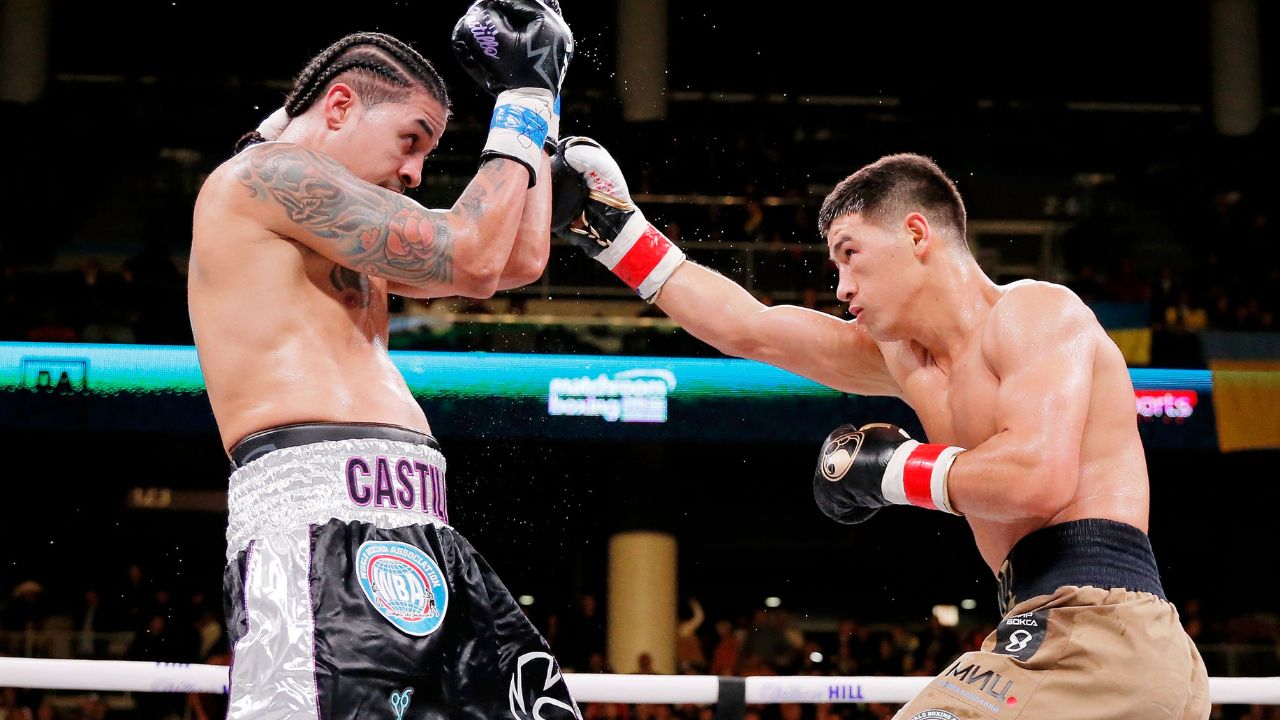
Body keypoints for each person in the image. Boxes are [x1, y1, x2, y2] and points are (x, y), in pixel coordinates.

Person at [552, 139, 1209, 719]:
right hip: (1054, 630)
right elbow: (747, 327)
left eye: (850, 255)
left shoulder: (1037, 314)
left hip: (1101, 631)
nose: (841, 286)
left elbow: (1038, 479)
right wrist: (621, 237)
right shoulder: (906, 361)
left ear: (917, 234)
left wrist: (894, 471)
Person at [189, 4, 581, 717]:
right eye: (411, 139)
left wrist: (541, 100)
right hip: (315, 532)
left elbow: (513, 260)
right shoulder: (262, 181)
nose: (414, 171)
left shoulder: (342, 227)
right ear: (339, 105)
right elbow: (471, 249)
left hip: (422, 524)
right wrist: (519, 100)